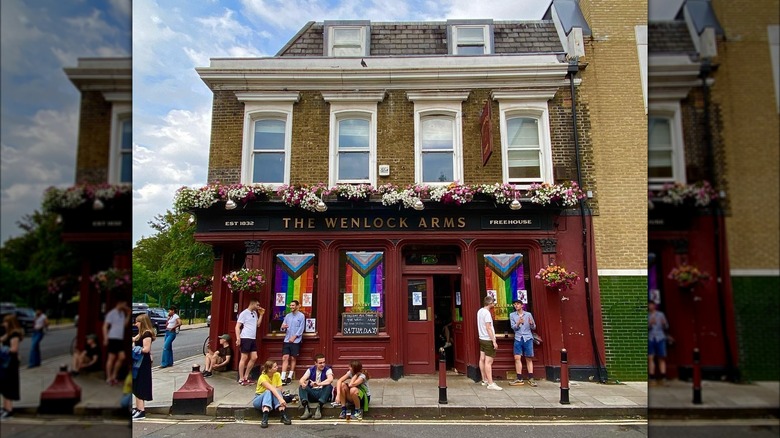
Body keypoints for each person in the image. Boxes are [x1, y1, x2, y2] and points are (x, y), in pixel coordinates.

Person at [252, 360, 292, 428]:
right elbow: (271, 388)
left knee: (276, 391)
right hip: (259, 400)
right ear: (269, 369)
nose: (277, 367)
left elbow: (280, 389)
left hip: (273, 398)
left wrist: (278, 396)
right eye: (275, 367)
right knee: (268, 391)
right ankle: (265, 417)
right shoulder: (262, 377)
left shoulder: (277, 375)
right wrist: (280, 399)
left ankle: (283, 414)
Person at [131, 313, 156, 421]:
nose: (135, 324)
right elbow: (133, 340)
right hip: (137, 362)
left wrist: (134, 349)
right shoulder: (141, 333)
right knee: (135, 384)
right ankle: (137, 408)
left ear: (142, 323)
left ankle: (141, 411)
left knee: (140, 384)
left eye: (137, 322)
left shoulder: (147, 334)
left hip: (142, 362)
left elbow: (146, 349)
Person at [235, 299, 265, 386]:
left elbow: (257, 324)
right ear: (252, 304)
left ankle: (246, 376)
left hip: (252, 338)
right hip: (245, 337)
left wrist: (261, 315)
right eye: (257, 305)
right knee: (244, 358)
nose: (258, 306)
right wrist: (238, 338)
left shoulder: (255, 313)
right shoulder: (244, 313)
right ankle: (241, 378)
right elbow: (237, 326)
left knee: (254, 357)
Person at [509, 300, 538, 387]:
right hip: (518, 338)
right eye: (514, 304)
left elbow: (533, 327)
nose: (516, 306)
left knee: (528, 358)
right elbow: (513, 327)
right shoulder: (512, 315)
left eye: (517, 304)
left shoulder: (528, 314)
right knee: (517, 357)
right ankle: (519, 378)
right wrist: (518, 323)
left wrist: (531, 324)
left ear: (522, 305)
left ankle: (531, 378)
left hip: (527, 338)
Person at [0, 314, 24, 420]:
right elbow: (1, 339)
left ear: (10, 323)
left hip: (10, 363)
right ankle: (5, 408)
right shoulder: (8, 333)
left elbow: (14, 349)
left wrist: (3, 350)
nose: (3, 324)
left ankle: (9, 410)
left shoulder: (14, 335)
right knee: (4, 385)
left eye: (5, 322)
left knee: (8, 385)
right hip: (5, 362)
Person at [297, 353, 334, 420]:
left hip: (322, 393)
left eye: (324, 362)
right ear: (315, 363)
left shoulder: (328, 370)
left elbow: (330, 380)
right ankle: (306, 409)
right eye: (320, 363)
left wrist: (319, 384)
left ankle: (319, 408)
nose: (323, 364)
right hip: (313, 392)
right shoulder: (310, 370)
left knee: (328, 386)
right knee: (301, 387)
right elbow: (301, 379)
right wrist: (303, 384)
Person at [477, 295, 502, 390]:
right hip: (487, 339)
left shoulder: (480, 311)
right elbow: (488, 327)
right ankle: (491, 383)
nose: (494, 304)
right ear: (490, 303)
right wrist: (494, 341)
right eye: (493, 303)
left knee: (482, 359)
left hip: (481, 338)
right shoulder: (487, 313)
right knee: (489, 362)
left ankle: (484, 380)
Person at [104, 300, 129, 385]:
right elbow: (105, 326)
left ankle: (114, 376)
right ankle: (109, 377)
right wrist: (105, 338)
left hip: (119, 338)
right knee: (111, 358)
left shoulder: (122, 313)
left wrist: (128, 314)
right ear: (119, 303)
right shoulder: (112, 313)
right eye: (124, 304)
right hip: (113, 337)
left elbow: (124, 325)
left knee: (122, 357)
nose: (125, 306)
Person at [280, 300, 305, 385]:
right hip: (287, 339)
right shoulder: (287, 316)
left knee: (293, 358)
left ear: (297, 306)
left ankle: (290, 376)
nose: (291, 307)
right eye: (290, 305)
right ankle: (282, 377)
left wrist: (294, 337)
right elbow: (282, 327)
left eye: (293, 305)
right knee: (285, 357)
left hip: (296, 340)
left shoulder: (301, 316)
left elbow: (301, 329)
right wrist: (283, 327)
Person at [648, 300, 670, 385]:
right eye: (649, 305)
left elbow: (666, 326)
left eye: (651, 305)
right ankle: (652, 377)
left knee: (661, 357)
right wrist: (650, 323)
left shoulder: (660, 315)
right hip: (650, 338)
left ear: (654, 305)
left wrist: (664, 324)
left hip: (660, 337)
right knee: (650, 358)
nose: (650, 306)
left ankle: (663, 376)